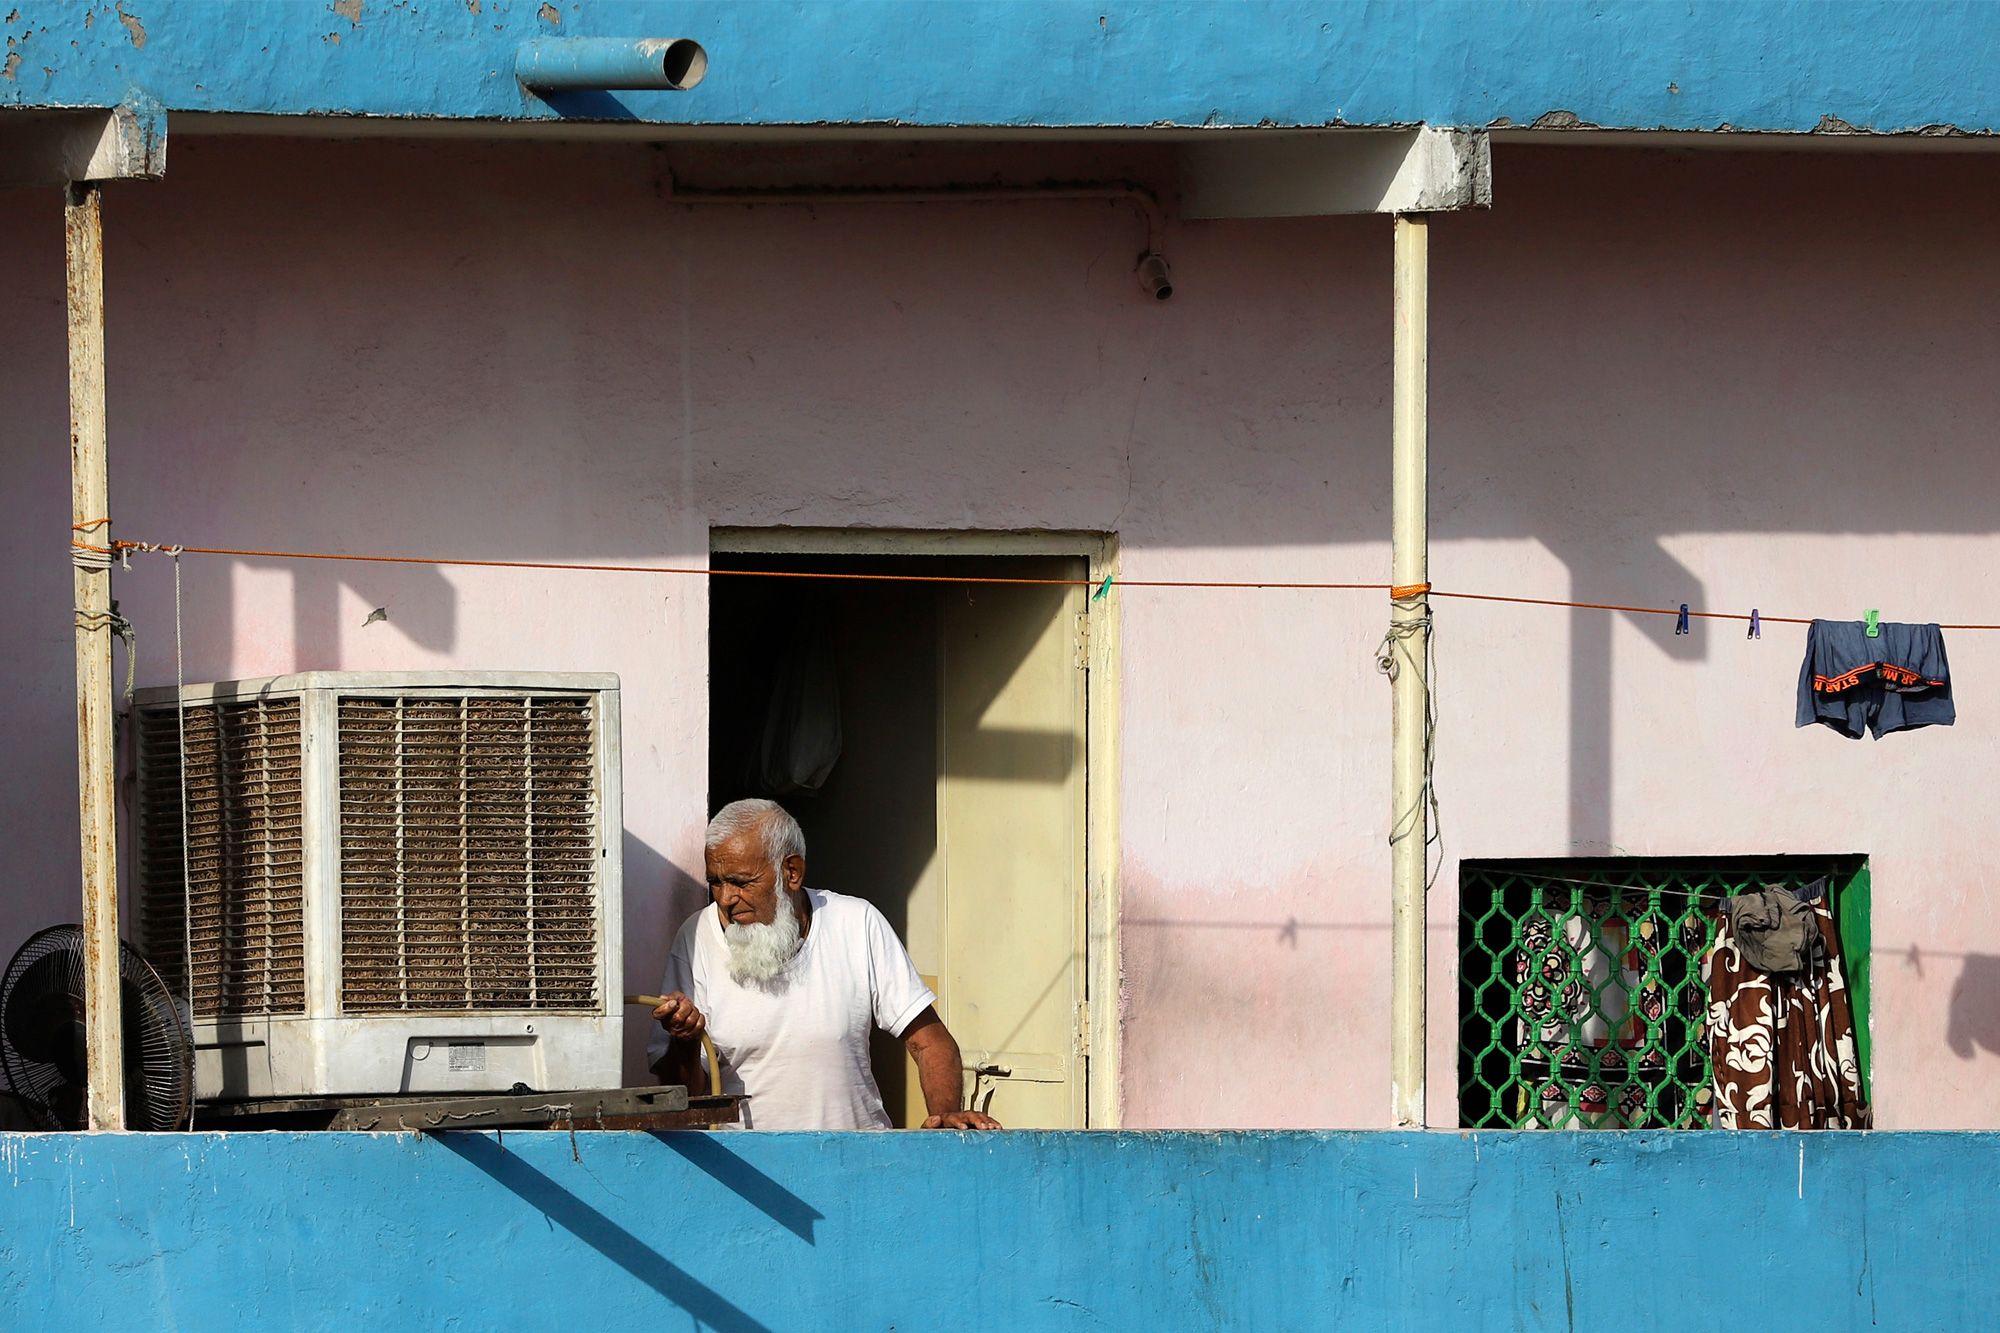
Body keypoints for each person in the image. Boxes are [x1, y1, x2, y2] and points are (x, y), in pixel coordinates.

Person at [648, 798, 1001, 1131]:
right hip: (748, 1172)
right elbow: (682, 1100)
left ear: (792, 872)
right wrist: (685, 1041)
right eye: (716, 882)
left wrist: (944, 1115)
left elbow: (930, 1042)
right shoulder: (696, 937)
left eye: (741, 882)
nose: (726, 898)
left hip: (856, 1160)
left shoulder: (856, 922)